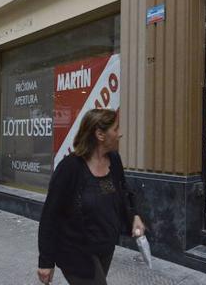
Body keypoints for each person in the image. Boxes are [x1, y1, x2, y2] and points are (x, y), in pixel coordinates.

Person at [37, 109, 146, 285]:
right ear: (100, 134)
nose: (120, 134)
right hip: (76, 252)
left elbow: (124, 192)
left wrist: (135, 215)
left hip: (105, 247)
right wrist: (45, 262)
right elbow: (50, 215)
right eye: (116, 129)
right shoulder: (70, 168)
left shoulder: (114, 160)